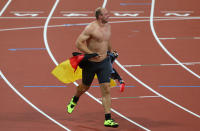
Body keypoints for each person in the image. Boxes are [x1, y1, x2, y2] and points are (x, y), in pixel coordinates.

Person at [67, 7, 119, 128]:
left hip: (104, 62)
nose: (109, 15)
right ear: (100, 16)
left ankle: (108, 119)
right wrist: (90, 53)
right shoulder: (91, 28)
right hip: (91, 64)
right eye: (106, 14)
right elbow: (78, 43)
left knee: (106, 89)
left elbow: (106, 40)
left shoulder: (108, 26)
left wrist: (111, 51)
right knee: (85, 87)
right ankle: (75, 98)